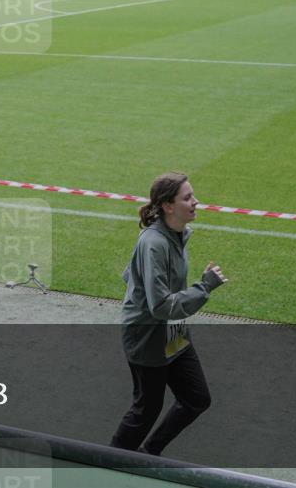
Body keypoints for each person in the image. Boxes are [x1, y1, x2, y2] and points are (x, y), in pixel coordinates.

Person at [109, 172, 227, 456]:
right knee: (145, 411)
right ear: (167, 206)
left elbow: (131, 274)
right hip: (148, 338)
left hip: (173, 333)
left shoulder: (177, 234)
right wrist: (203, 287)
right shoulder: (155, 242)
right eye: (187, 198)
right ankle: (107, 462)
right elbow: (160, 305)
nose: (195, 202)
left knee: (196, 399)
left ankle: (149, 453)